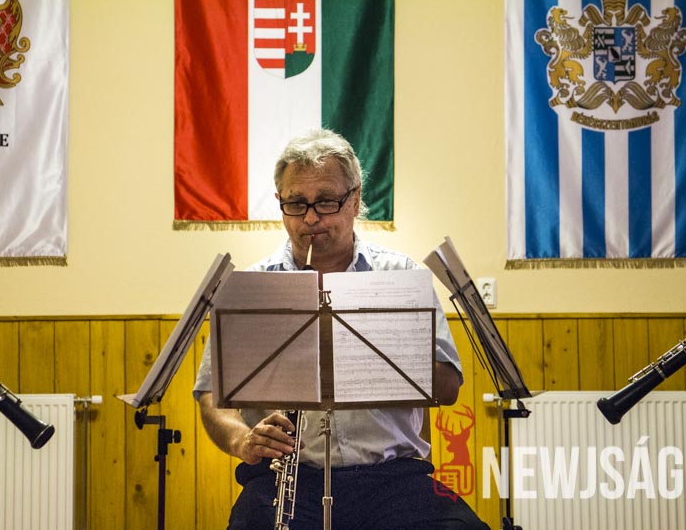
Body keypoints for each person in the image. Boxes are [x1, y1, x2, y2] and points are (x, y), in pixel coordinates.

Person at [193, 129, 489, 529]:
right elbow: (211, 394)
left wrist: (367, 349)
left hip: (394, 478)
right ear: (280, 202)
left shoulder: (400, 275)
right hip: (287, 478)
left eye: (326, 201)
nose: (310, 218)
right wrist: (241, 440)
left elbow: (449, 386)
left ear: (355, 199)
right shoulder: (251, 285)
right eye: (296, 203)